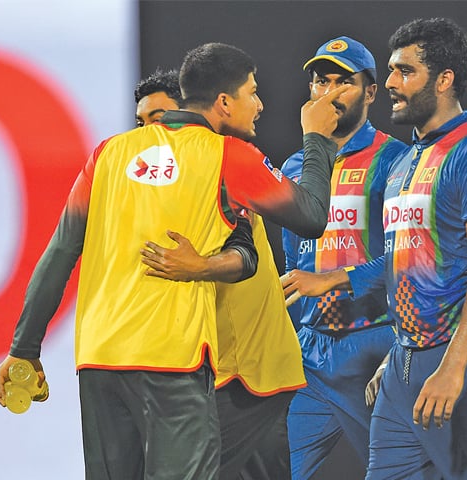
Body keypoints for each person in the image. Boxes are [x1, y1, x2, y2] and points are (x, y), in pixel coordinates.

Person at [0, 42, 350, 480]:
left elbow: (60, 253)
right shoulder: (226, 156)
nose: (258, 104)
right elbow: (311, 217)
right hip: (174, 358)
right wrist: (318, 140)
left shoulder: (106, 155)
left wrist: (24, 350)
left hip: (100, 358)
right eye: (251, 92)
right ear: (223, 102)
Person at [283, 19, 467, 478]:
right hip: (406, 358)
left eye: (406, 71)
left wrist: (454, 366)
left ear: (444, 80)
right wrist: (397, 349)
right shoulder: (413, 159)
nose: (394, 83)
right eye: (392, 71)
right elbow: (405, 261)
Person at [135, 68, 305, 480]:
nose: (148, 133)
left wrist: (199, 267)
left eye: (158, 119)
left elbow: (243, 258)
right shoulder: (156, 188)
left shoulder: (221, 166)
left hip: (245, 372)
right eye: (140, 124)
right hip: (210, 374)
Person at [278, 36, 408, 479]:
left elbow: (411, 260)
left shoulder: (397, 161)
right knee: (273, 469)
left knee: (401, 471)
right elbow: (293, 258)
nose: (330, 92)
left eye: (343, 82)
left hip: (374, 345)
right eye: (321, 81)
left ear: (371, 92)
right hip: (310, 353)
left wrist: (335, 280)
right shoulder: (296, 167)